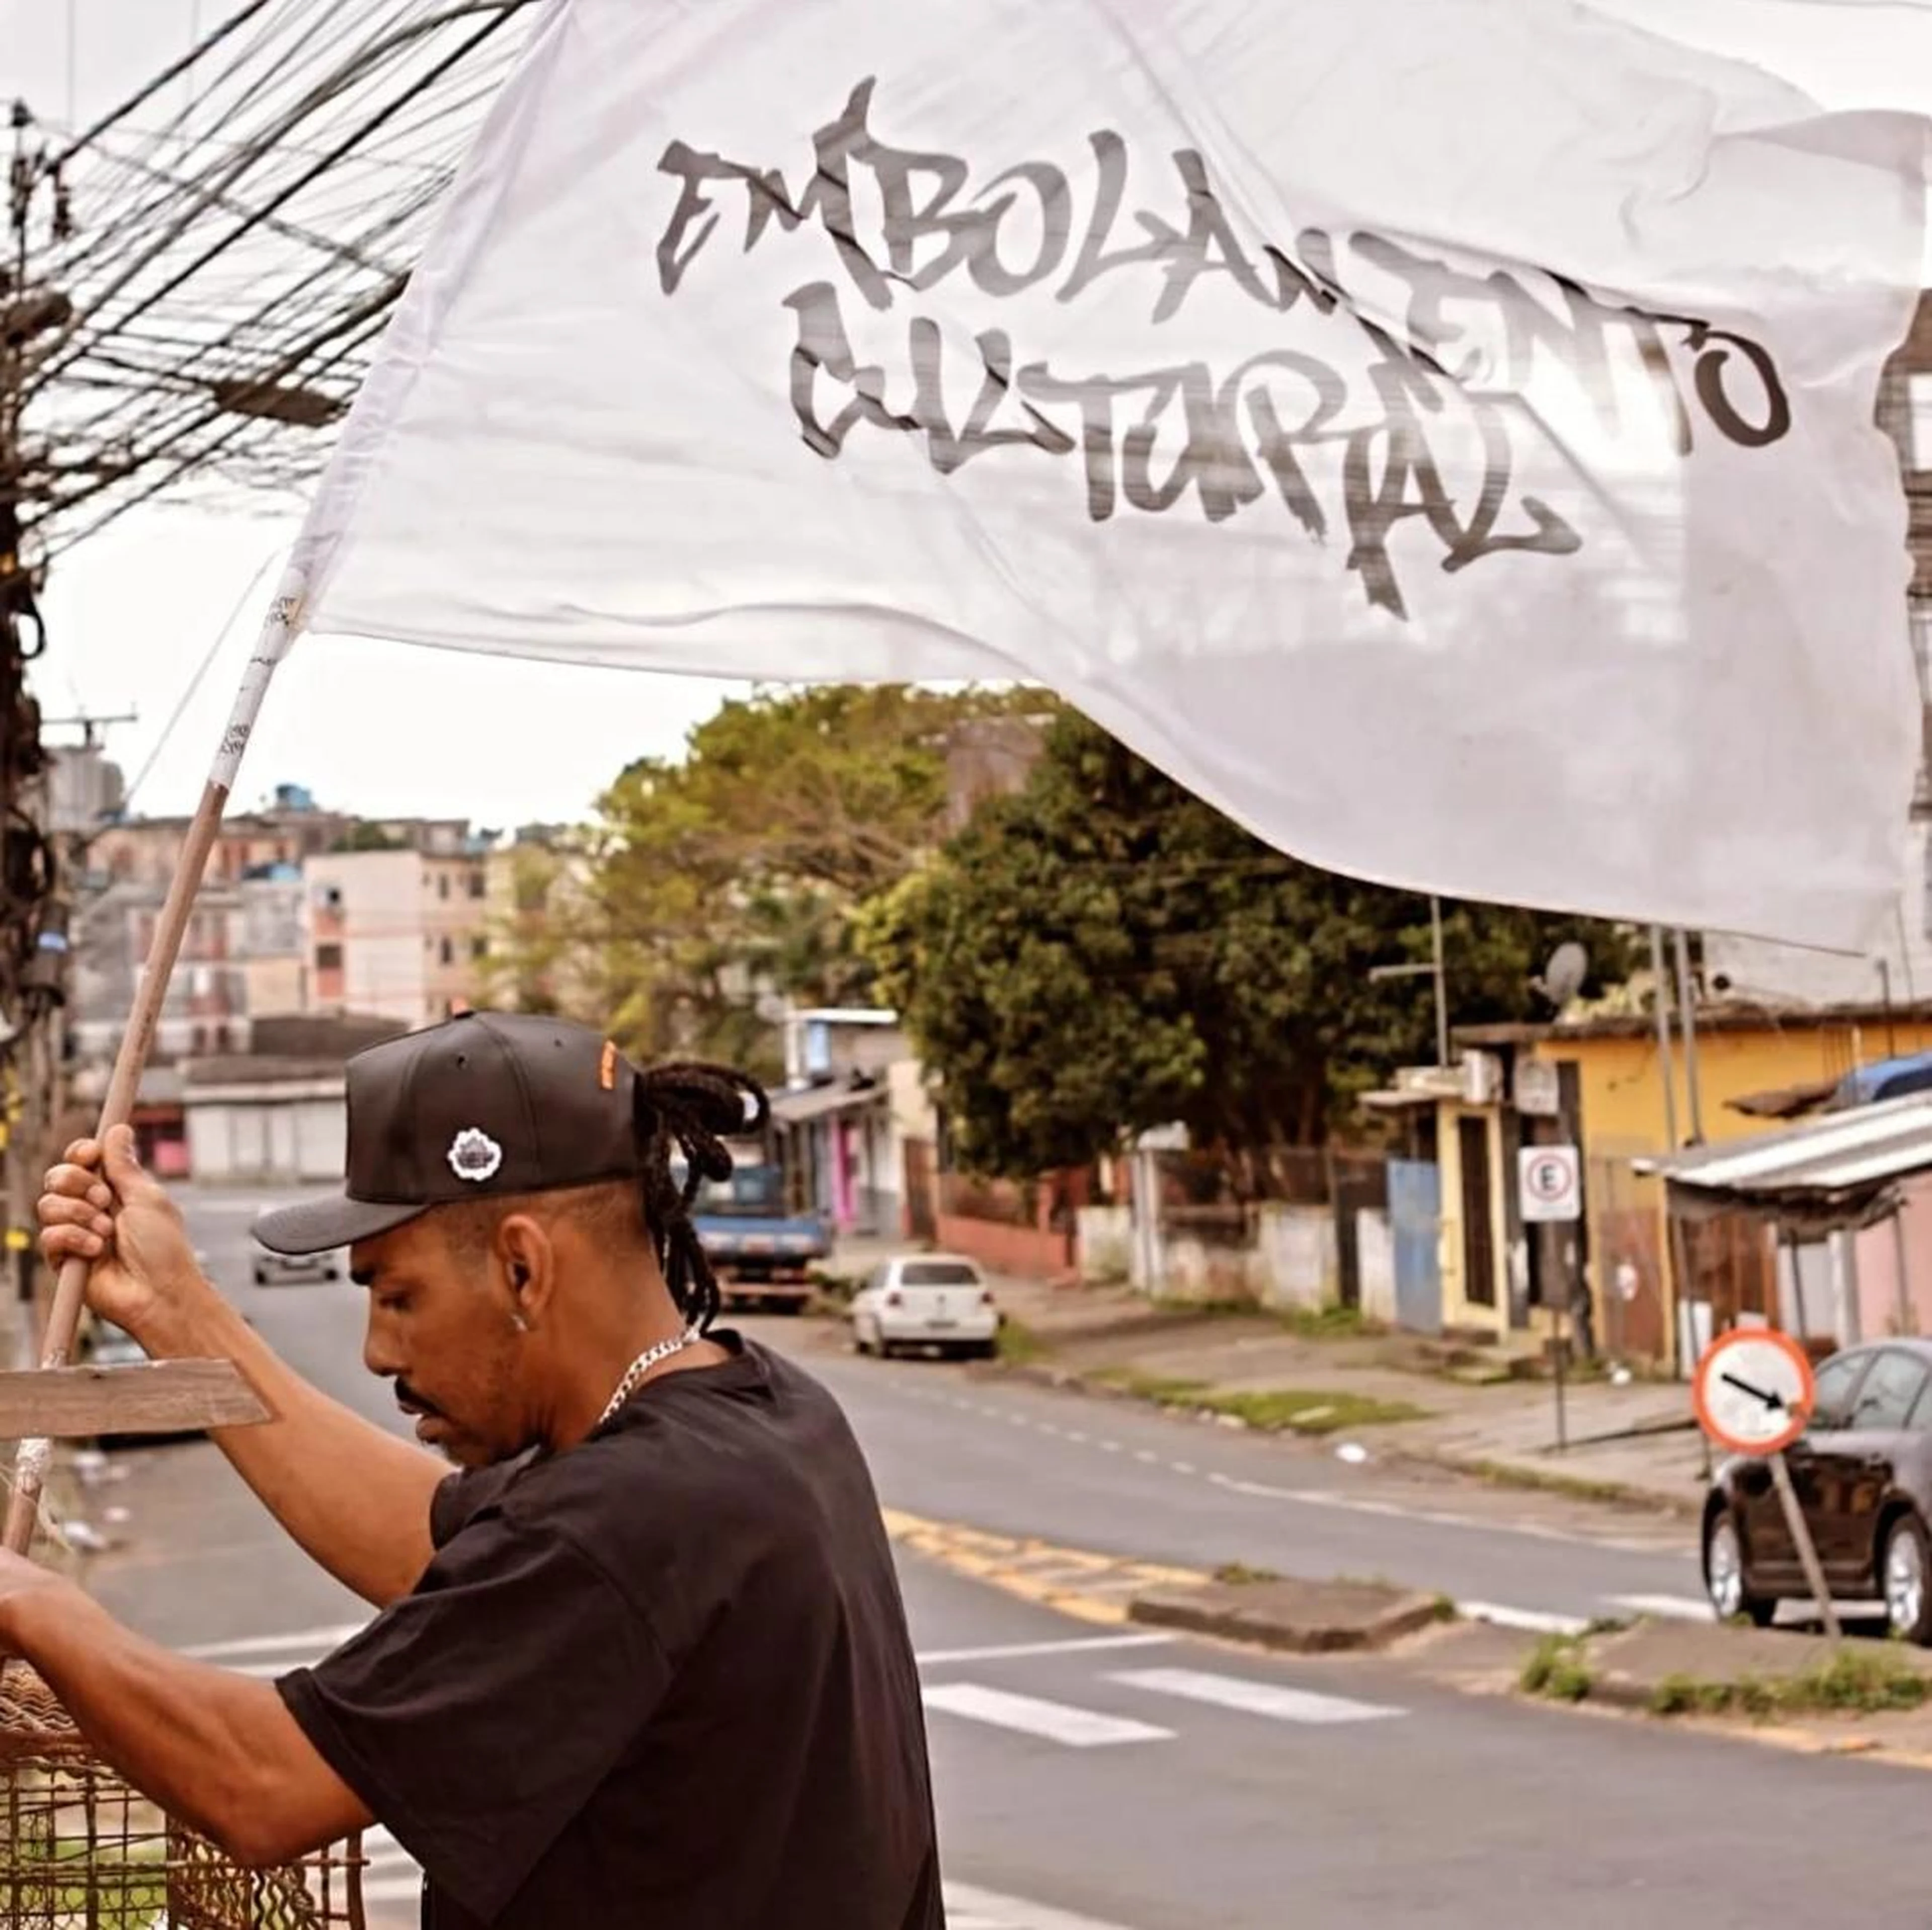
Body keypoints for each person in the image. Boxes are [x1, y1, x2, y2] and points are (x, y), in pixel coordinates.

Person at [14, 1010, 942, 1929]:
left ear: (523, 1268)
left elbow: (265, 1785)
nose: (377, 1351)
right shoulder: (768, 1417)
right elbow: (434, 1537)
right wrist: (177, 1309)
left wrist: (32, 1602)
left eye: (399, 1296)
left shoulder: (616, 1523)